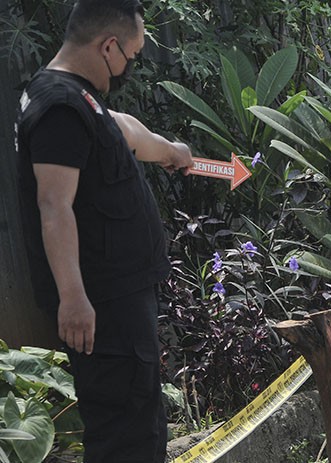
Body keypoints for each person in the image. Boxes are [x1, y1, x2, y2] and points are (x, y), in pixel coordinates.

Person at [14, 0, 193, 461]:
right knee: (124, 433)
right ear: (108, 45)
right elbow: (54, 205)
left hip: (119, 303)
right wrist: (73, 299)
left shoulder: (76, 97)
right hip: (101, 308)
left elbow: (125, 132)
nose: (129, 67)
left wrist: (171, 150)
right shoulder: (59, 107)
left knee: (141, 422)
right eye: (131, 57)